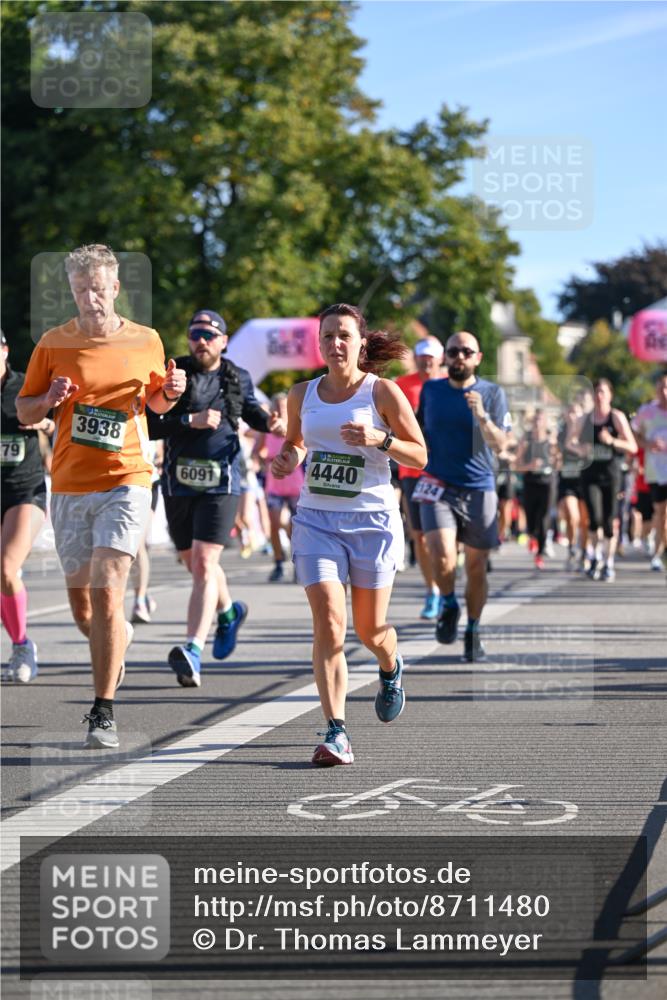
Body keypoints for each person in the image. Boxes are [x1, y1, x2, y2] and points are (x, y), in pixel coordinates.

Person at [16, 244, 186, 748]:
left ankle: (102, 710)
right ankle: (117, 643)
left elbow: (154, 400)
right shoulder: (53, 343)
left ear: (115, 288)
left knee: (109, 587)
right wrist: (48, 399)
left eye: (98, 288)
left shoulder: (145, 339)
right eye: (80, 289)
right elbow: (25, 412)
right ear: (71, 290)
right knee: (85, 609)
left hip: (127, 477)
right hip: (69, 483)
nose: (90, 297)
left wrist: (172, 391)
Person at [271, 303, 426, 767]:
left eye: (344, 336)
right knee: (329, 621)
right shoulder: (301, 394)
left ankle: (389, 665)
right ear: (318, 344)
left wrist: (379, 440)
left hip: (373, 523)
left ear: (361, 342)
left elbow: (419, 455)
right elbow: (297, 443)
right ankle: (337, 730)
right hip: (317, 520)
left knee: (370, 629)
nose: (335, 344)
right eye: (327, 337)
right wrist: (287, 459)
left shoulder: (383, 392)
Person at [147, 309, 284, 688]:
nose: (201, 340)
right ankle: (227, 613)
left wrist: (271, 422)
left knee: (206, 563)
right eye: (195, 334)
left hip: (222, 482)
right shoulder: (175, 373)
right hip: (178, 482)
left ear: (223, 341)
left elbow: (253, 413)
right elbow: (149, 422)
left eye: (209, 334)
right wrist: (188, 421)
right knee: (193, 563)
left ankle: (192, 649)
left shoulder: (236, 376)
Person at [416, 330, 511, 662]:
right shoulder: (431, 390)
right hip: (437, 484)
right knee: (440, 553)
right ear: (445, 356)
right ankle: (448, 602)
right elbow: (416, 432)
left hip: (478, 487)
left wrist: (482, 414)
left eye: (466, 352)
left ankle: (473, 629)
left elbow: (502, 445)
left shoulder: (493, 393)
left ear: (478, 358)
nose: (459, 357)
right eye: (453, 351)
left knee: (475, 566)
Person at [1, 333, 54, 682]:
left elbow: (62, 421)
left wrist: (45, 423)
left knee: (6, 568)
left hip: (25, 490)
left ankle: (22, 646)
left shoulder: (25, 385)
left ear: (5, 350)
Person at [394, 337, 446, 619]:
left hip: (444, 471)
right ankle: (433, 590)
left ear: (440, 359)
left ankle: (446, 583)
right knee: (420, 537)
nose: (426, 361)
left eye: (431, 356)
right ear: (415, 357)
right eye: (422, 356)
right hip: (412, 471)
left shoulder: (452, 384)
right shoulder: (402, 384)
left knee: (445, 536)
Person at [568, 379, 637, 581]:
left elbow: (632, 446)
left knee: (608, 520)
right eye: (597, 392)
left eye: (603, 392)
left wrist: (612, 441)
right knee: (594, 517)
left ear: (610, 396)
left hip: (612, 475)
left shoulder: (616, 418)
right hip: (590, 476)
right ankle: (595, 556)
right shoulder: (585, 419)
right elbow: (569, 442)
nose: (599, 396)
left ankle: (608, 562)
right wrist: (580, 448)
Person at [256, 392, 304, 582]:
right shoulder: (267, 429)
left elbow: (306, 450)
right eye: (277, 407)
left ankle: (298, 564)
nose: (281, 410)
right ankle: (278, 563)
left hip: (295, 485)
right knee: (274, 524)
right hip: (275, 484)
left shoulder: (296, 427)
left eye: (284, 407)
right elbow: (258, 451)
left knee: (295, 528)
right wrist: (266, 460)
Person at [632, 372, 667, 573]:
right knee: (660, 513)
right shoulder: (647, 411)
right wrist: (646, 443)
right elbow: (633, 433)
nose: (664, 392)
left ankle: (659, 549)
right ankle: (657, 553)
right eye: (660, 387)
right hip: (655, 471)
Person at [515, 410, 556, 571]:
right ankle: (532, 535)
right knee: (531, 516)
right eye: (536, 420)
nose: (538, 423)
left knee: (544, 516)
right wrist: (529, 466)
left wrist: (555, 456)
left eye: (541, 420)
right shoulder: (526, 441)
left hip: (547, 483)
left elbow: (559, 462)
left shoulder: (551, 441)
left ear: (545, 422)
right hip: (530, 482)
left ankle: (540, 552)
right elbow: (517, 466)